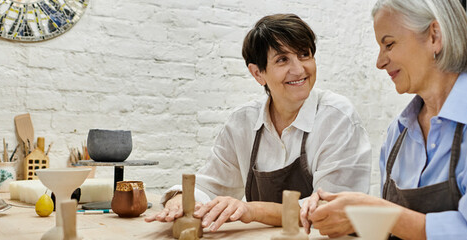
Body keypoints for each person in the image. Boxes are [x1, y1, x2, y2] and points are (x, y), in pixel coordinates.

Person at [300, 0, 467, 239]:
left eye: (389, 44)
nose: (379, 62)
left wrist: (373, 211)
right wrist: (342, 214)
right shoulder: (398, 133)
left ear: (434, 36)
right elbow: (389, 230)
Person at [145, 14, 372, 231]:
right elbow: (210, 187)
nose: (299, 69)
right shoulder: (242, 123)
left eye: (304, 54)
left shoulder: (338, 119)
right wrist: (181, 201)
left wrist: (252, 210)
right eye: (282, 59)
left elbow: (332, 209)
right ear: (257, 73)